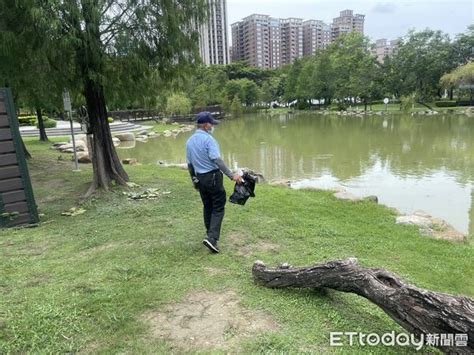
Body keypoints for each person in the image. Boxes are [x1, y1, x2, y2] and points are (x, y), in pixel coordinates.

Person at [186, 112, 243, 253]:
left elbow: (190, 164)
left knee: (208, 206)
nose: (213, 126)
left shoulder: (190, 141)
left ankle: (209, 234)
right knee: (218, 207)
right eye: (211, 124)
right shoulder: (209, 140)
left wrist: (194, 180)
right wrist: (231, 175)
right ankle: (212, 239)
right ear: (206, 125)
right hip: (212, 177)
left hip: (200, 178)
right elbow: (216, 160)